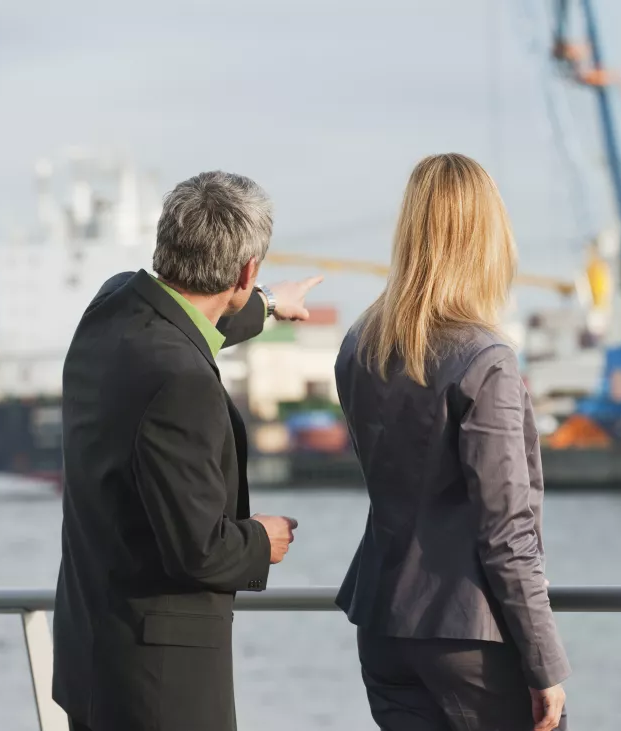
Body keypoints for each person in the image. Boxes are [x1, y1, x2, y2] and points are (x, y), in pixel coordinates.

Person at [52, 170, 321, 731]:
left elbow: (190, 313)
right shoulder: (183, 383)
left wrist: (269, 306)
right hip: (160, 687)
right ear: (246, 270)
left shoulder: (110, 306)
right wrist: (261, 540)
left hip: (93, 656)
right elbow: (199, 550)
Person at [335, 153, 571, 731]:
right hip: (471, 637)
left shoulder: (360, 344)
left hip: (384, 626)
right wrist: (545, 662)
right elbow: (506, 529)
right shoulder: (485, 359)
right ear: (487, 238)